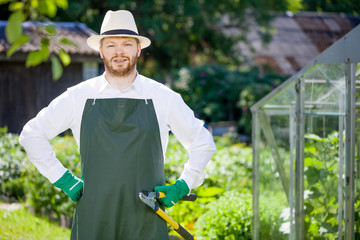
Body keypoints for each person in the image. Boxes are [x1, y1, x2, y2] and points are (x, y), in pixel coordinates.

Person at [19, 10, 216, 240]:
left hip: (145, 218)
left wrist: (183, 185)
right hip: (94, 217)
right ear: (100, 50)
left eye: (127, 44)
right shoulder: (79, 96)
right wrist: (64, 180)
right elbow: (31, 134)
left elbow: (203, 142)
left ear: (138, 49)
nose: (119, 51)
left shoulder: (163, 97)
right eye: (111, 45)